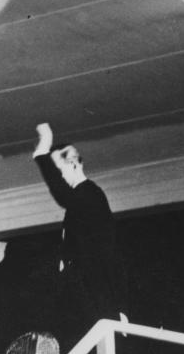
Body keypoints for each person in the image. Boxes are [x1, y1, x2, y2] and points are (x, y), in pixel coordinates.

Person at [32, 122, 128, 328]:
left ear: (74, 163)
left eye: (58, 170)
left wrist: (42, 152)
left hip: (97, 289)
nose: (58, 177)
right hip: (87, 290)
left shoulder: (90, 194)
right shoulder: (79, 203)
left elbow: (62, 195)